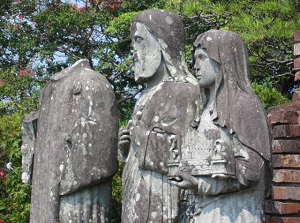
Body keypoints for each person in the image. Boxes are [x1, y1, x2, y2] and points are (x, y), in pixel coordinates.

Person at [169, 30, 271, 223]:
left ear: (223, 60)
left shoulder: (245, 106)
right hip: (199, 211)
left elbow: (251, 173)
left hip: (232, 213)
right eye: (194, 59)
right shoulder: (201, 109)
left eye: (202, 58)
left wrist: (201, 184)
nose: (195, 65)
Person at [118, 9, 201, 223]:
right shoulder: (147, 93)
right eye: (132, 44)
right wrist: (125, 147)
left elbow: (185, 154)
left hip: (163, 196)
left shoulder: (184, 91)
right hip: (138, 192)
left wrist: (140, 137)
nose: (134, 51)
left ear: (163, 43)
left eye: (139, 40)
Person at [21, 60, 118, 223]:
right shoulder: (53, 88)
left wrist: (65, 180)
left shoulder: (91, 82)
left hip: (75, 196)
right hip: (47, 191)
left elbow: (102, 141)